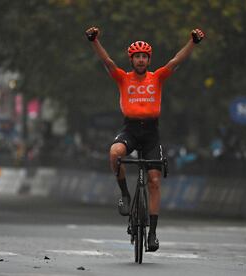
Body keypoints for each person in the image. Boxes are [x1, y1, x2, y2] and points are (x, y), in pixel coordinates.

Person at [85, 26, 204, 251]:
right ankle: (125, 195)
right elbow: (108, 62)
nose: (140, 60)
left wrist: (193, 43)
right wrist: (94, 41)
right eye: (137, 57)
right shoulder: (123, 78)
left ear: (149, 60)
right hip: (130, 130)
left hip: (151, 134)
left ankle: (152, 234)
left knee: (155, 181)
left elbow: (176, 60)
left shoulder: (157, 77)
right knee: (114, 153)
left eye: (144, 57)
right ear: (131, 59)